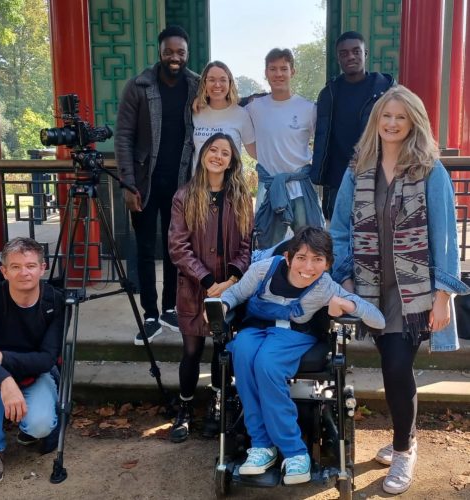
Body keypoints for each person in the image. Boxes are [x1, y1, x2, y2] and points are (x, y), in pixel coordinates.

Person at [330, 85, 469, 495]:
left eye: (401, 117)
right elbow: (339, 229)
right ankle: (404, 435)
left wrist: (444, 294)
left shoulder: (430, 170)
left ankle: (405, 449)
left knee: (396, 367)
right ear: (377, 121)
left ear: (413, 123)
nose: (392, 124)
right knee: (392, 366)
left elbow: (444, 235)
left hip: (413, 291)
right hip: (370, 285)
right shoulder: (357, 169)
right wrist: (346, 277)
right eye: (385, 116)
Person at [219, 226, 385, 485]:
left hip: (294, 335)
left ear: (328, 264)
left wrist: (347, 304)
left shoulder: (325, 286)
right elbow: (235, 293)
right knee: (241, 352)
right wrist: (223, 305)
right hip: (256, 327)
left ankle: (295, 452)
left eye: (318, 260)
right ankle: (262, 446)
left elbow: (378, 320)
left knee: (266, 363)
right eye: (301, 258)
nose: (308, 267)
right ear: (288, 257)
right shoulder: (264, 269)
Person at [115, 25, 200, 345]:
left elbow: (223, 100)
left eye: (180, 52)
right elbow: (123, 136)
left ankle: (169, 309)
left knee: (175, 250)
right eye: (169, 51)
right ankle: (150, 314)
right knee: (147, 249)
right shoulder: (138, 85)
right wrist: (127, 183)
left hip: (181, 183)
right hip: (144, 182)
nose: (174, 57)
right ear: (160, 51)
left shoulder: (195, 85)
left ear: (187, 54)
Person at [168, 132, 253, 442]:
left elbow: (246, 245)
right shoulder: (185, 196)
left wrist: (230, 280)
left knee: (222, 350)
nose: (218, 156)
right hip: (193, 287)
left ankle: (218, 404)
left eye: (226, 153)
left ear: (232, 162)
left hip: (228, 289)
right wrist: (206, 281)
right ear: (203, 154)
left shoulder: (240, 196)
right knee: (192, 350)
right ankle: (185, 408)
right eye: (213, 150)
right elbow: (178, 246)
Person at [0, 237, 64, 486]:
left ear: (42, 268)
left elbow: (47, 359)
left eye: (31, 266)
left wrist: (4, 358)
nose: (24, 272)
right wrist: (5, 380)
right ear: (4, 271)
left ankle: (26, 425)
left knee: (40, 426)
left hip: (35, 374)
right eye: (16, 266)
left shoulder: (54, 301)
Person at [310, 31, 395, 220]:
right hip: (338, 178)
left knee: (377, 232)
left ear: (365, 53)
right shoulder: (329, 93)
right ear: (338, 58)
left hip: (378, 175)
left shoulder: (386, 91)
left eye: (356, 51)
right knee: (338, 235)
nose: (350, 57)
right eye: (344, 53)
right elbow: (322, 136)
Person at [246, 48, 324, 249]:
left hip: (299, 185)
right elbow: (242, 132)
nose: (278, 74)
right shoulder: (255, 107)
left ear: (293, 72)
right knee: (267, 245)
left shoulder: (308, 108)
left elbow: (322, 144)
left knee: (308, 243)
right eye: (273, 69)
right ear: (266, 72)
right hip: (270, 185)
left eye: (283, 68)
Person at [192, 60, 256, 169]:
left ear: (230, 83)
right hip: (199, 184)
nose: (217, 85)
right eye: (211, 80)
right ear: (204, 83)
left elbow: (255, 153)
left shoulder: (241, 115)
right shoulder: (195, 111)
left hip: (230, 184)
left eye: (223, 80)